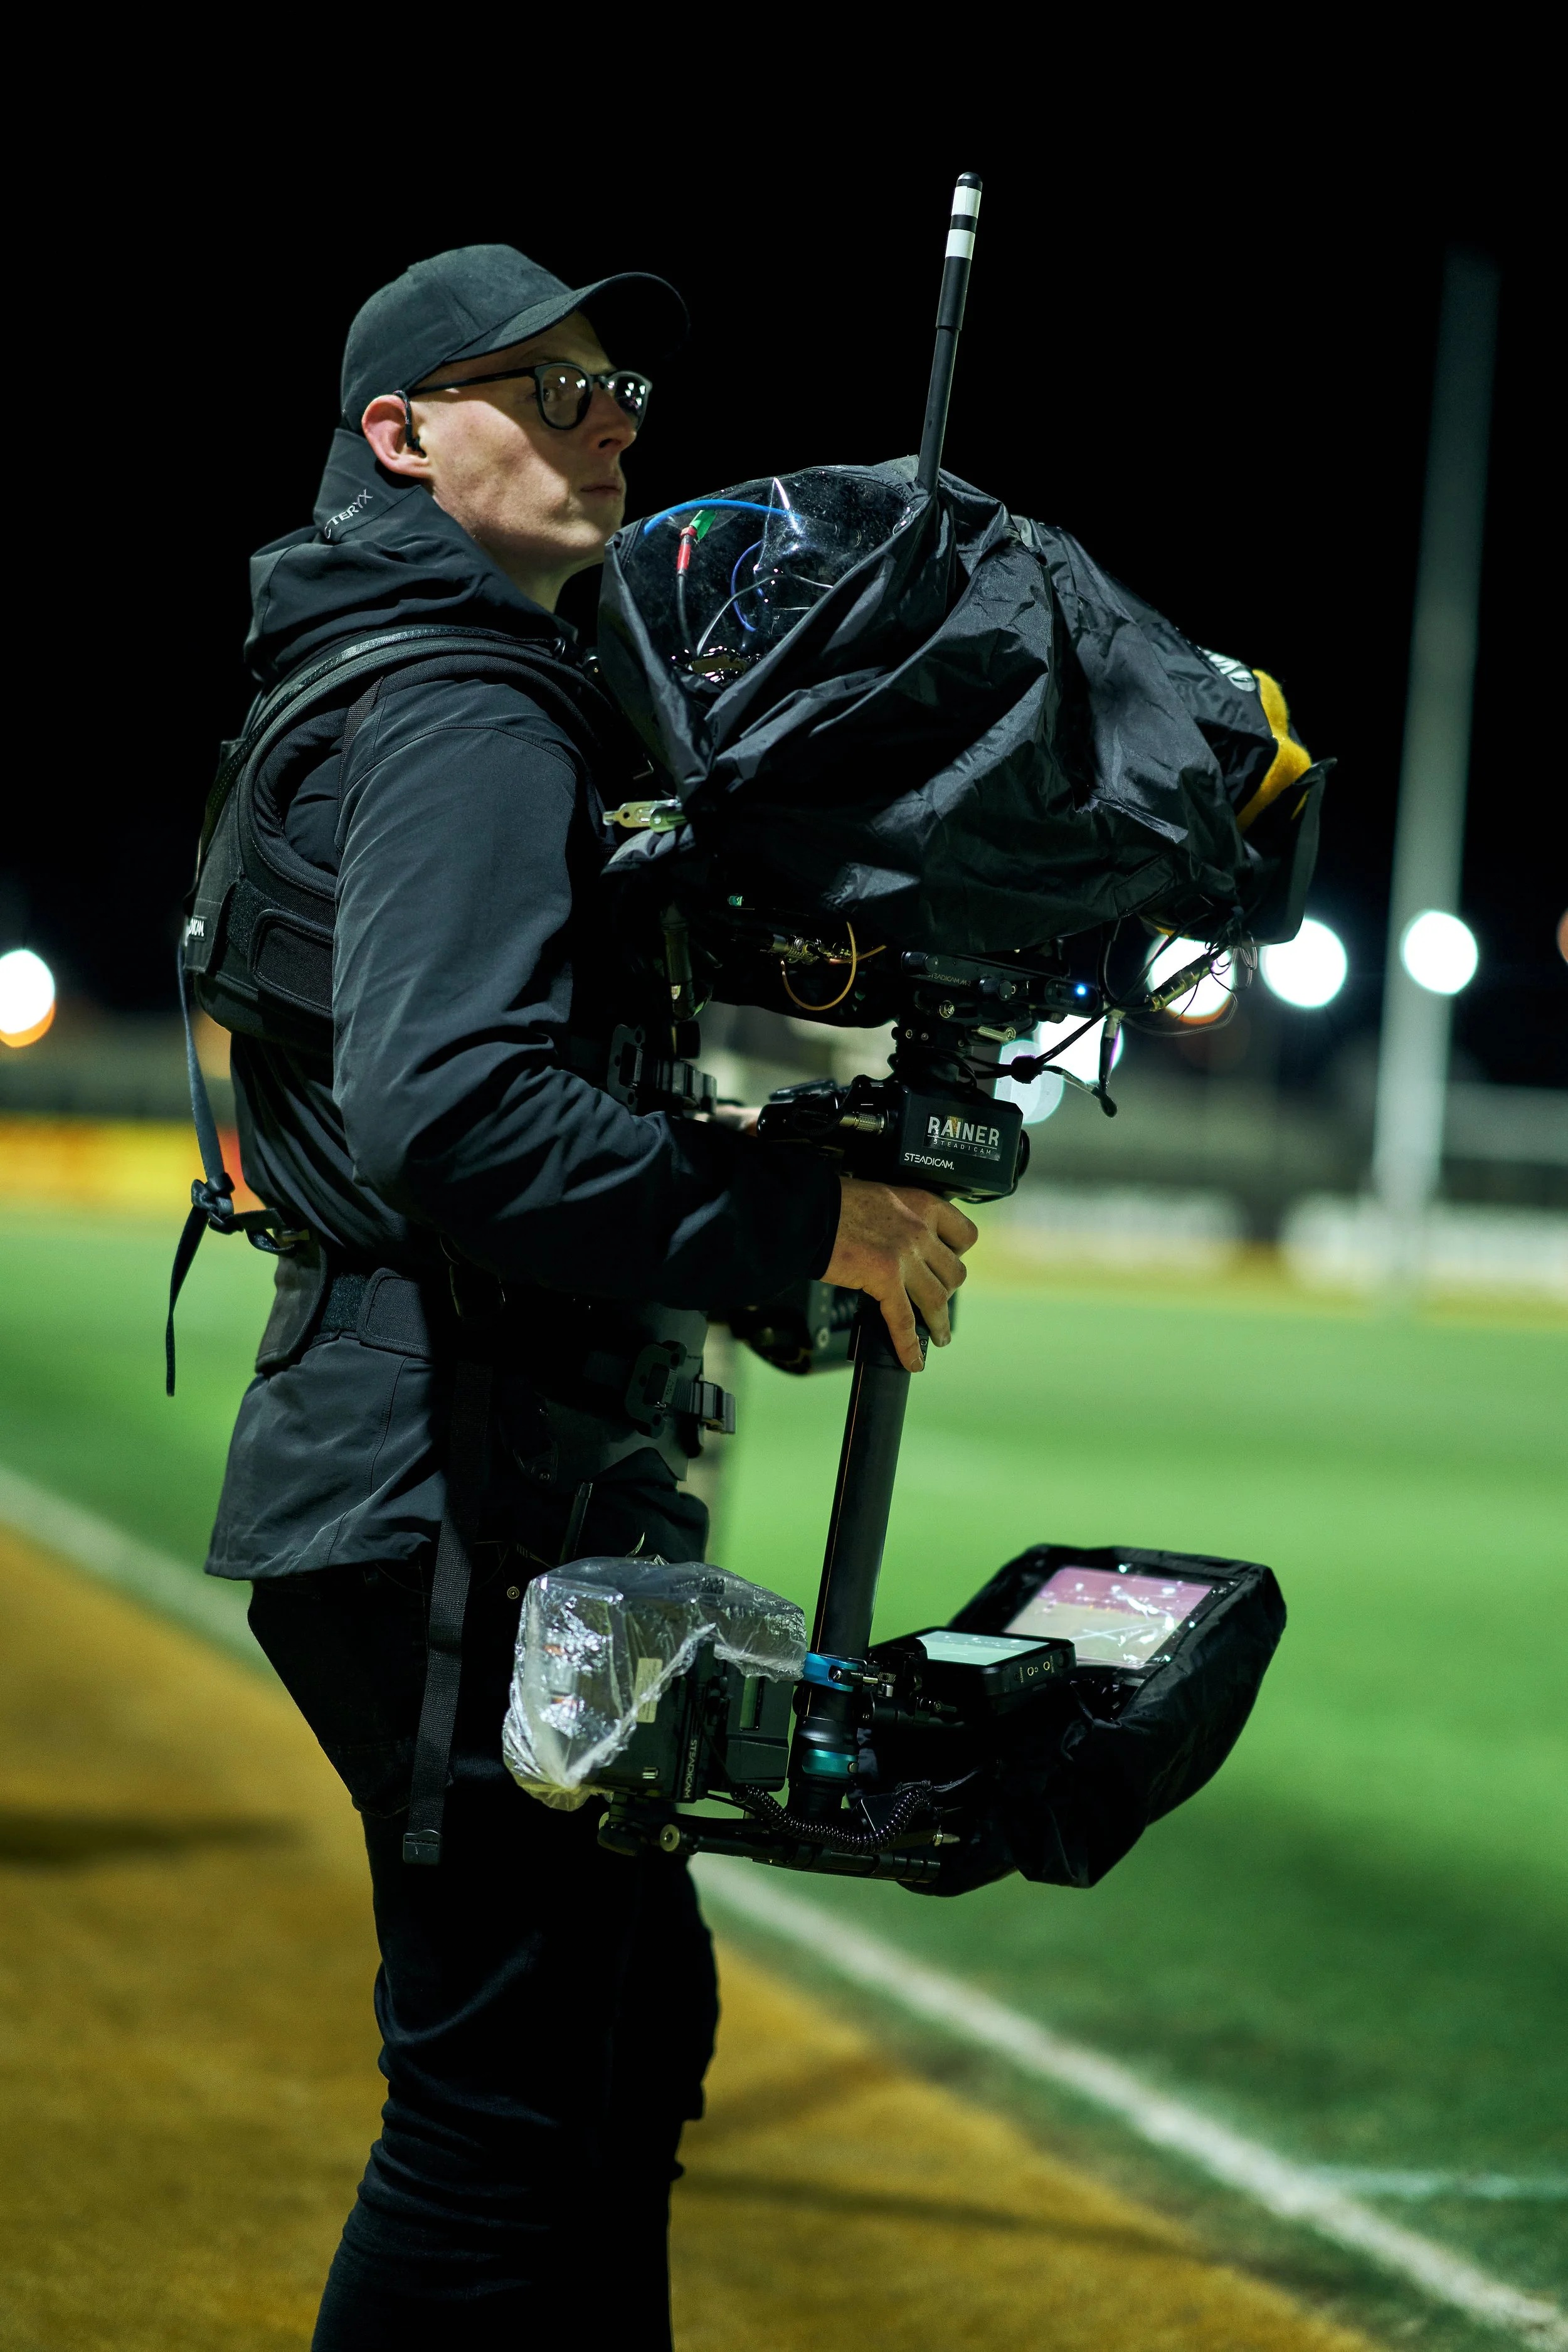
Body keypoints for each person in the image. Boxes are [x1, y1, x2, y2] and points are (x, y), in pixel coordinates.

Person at [200, 243, 977, 2350]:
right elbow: (453, 1115)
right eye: (545, 390)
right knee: (505, 2112)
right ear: (399, 435)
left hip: (476, 1478)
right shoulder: (458, 704)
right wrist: (786, 1225)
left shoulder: (448, 680)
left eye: (616, 386)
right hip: (448, 1488)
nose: (611, 419)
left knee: (617, 2049)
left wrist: (767, 1188)